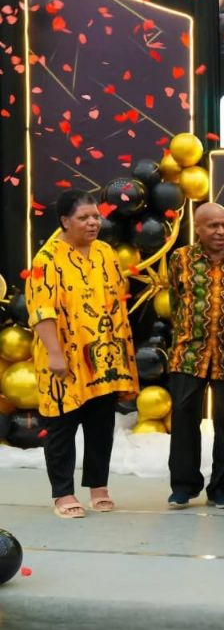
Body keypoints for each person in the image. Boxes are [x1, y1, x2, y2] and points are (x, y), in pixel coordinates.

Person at [26, 190, 139, 519]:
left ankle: (98, 487)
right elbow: (41, 310)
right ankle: (62, 493)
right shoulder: (46, 260)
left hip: (102, 355)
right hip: (62, 356)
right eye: (84, 218)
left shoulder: (105, 253)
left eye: (96, 217)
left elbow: (117, 302)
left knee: (101, 424)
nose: (93, 223)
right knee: (62, 426)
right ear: (64, 221)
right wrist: (54, 353)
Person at [166, 203, 224, 510]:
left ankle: (222, 490)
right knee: (183, 417)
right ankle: (183, 485)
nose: (221, 231)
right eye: (213, 226)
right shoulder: (180, 258)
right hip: (188, 352)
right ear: (198, 228)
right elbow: (176, 301)